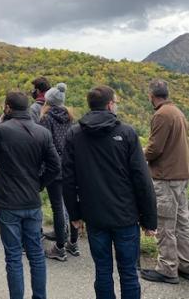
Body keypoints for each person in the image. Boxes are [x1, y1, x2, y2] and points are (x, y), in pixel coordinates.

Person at [62, 86, 157, 299]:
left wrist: (75, 214)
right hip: (126, 216)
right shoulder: (127, 132)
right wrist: (149, 220)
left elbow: (67, 179)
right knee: (129, 273)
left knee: (102, 271)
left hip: (94, 216)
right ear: (109, 105)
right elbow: (142, 179)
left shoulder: (74, 134)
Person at [0, 91, 61, 299]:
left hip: (8, 201)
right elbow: (56, 166)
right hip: (32, 200)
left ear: (8, 107)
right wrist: (39, 184)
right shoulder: (42, 132)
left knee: (13, 257)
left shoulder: (1, 130)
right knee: (37, 255)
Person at [141, 79, 189, 284]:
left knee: (165, 223)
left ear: (152, 96)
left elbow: (155, 148)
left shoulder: (161, 115)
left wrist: (139, 155)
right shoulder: (177, 112)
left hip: (166, 176)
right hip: (181, 174)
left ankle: (167, 268)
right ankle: (185, 264)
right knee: (182, 223)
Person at [39, 83, 78, 261]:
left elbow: (44, 145)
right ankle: (73, 243)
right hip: (71, 166)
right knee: (71, 204)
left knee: (57, 207)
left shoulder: (46, 118)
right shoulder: (70, 117)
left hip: (54, 167)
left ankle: (60, 247)